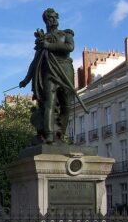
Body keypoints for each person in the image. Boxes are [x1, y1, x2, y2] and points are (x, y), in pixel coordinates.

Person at [19, 8, 87, 144]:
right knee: (49, 103)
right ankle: (49, 134)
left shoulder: (66, 34)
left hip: (65, 70)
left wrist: (49, 46)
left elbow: (69, 47)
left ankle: (60, 133)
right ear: (46, 21)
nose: (53, 20)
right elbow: (35, 61)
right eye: (49, 18)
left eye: (55, 17)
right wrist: (27, 79)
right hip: (50, 72)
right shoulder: (42, 40)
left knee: (66, 105)